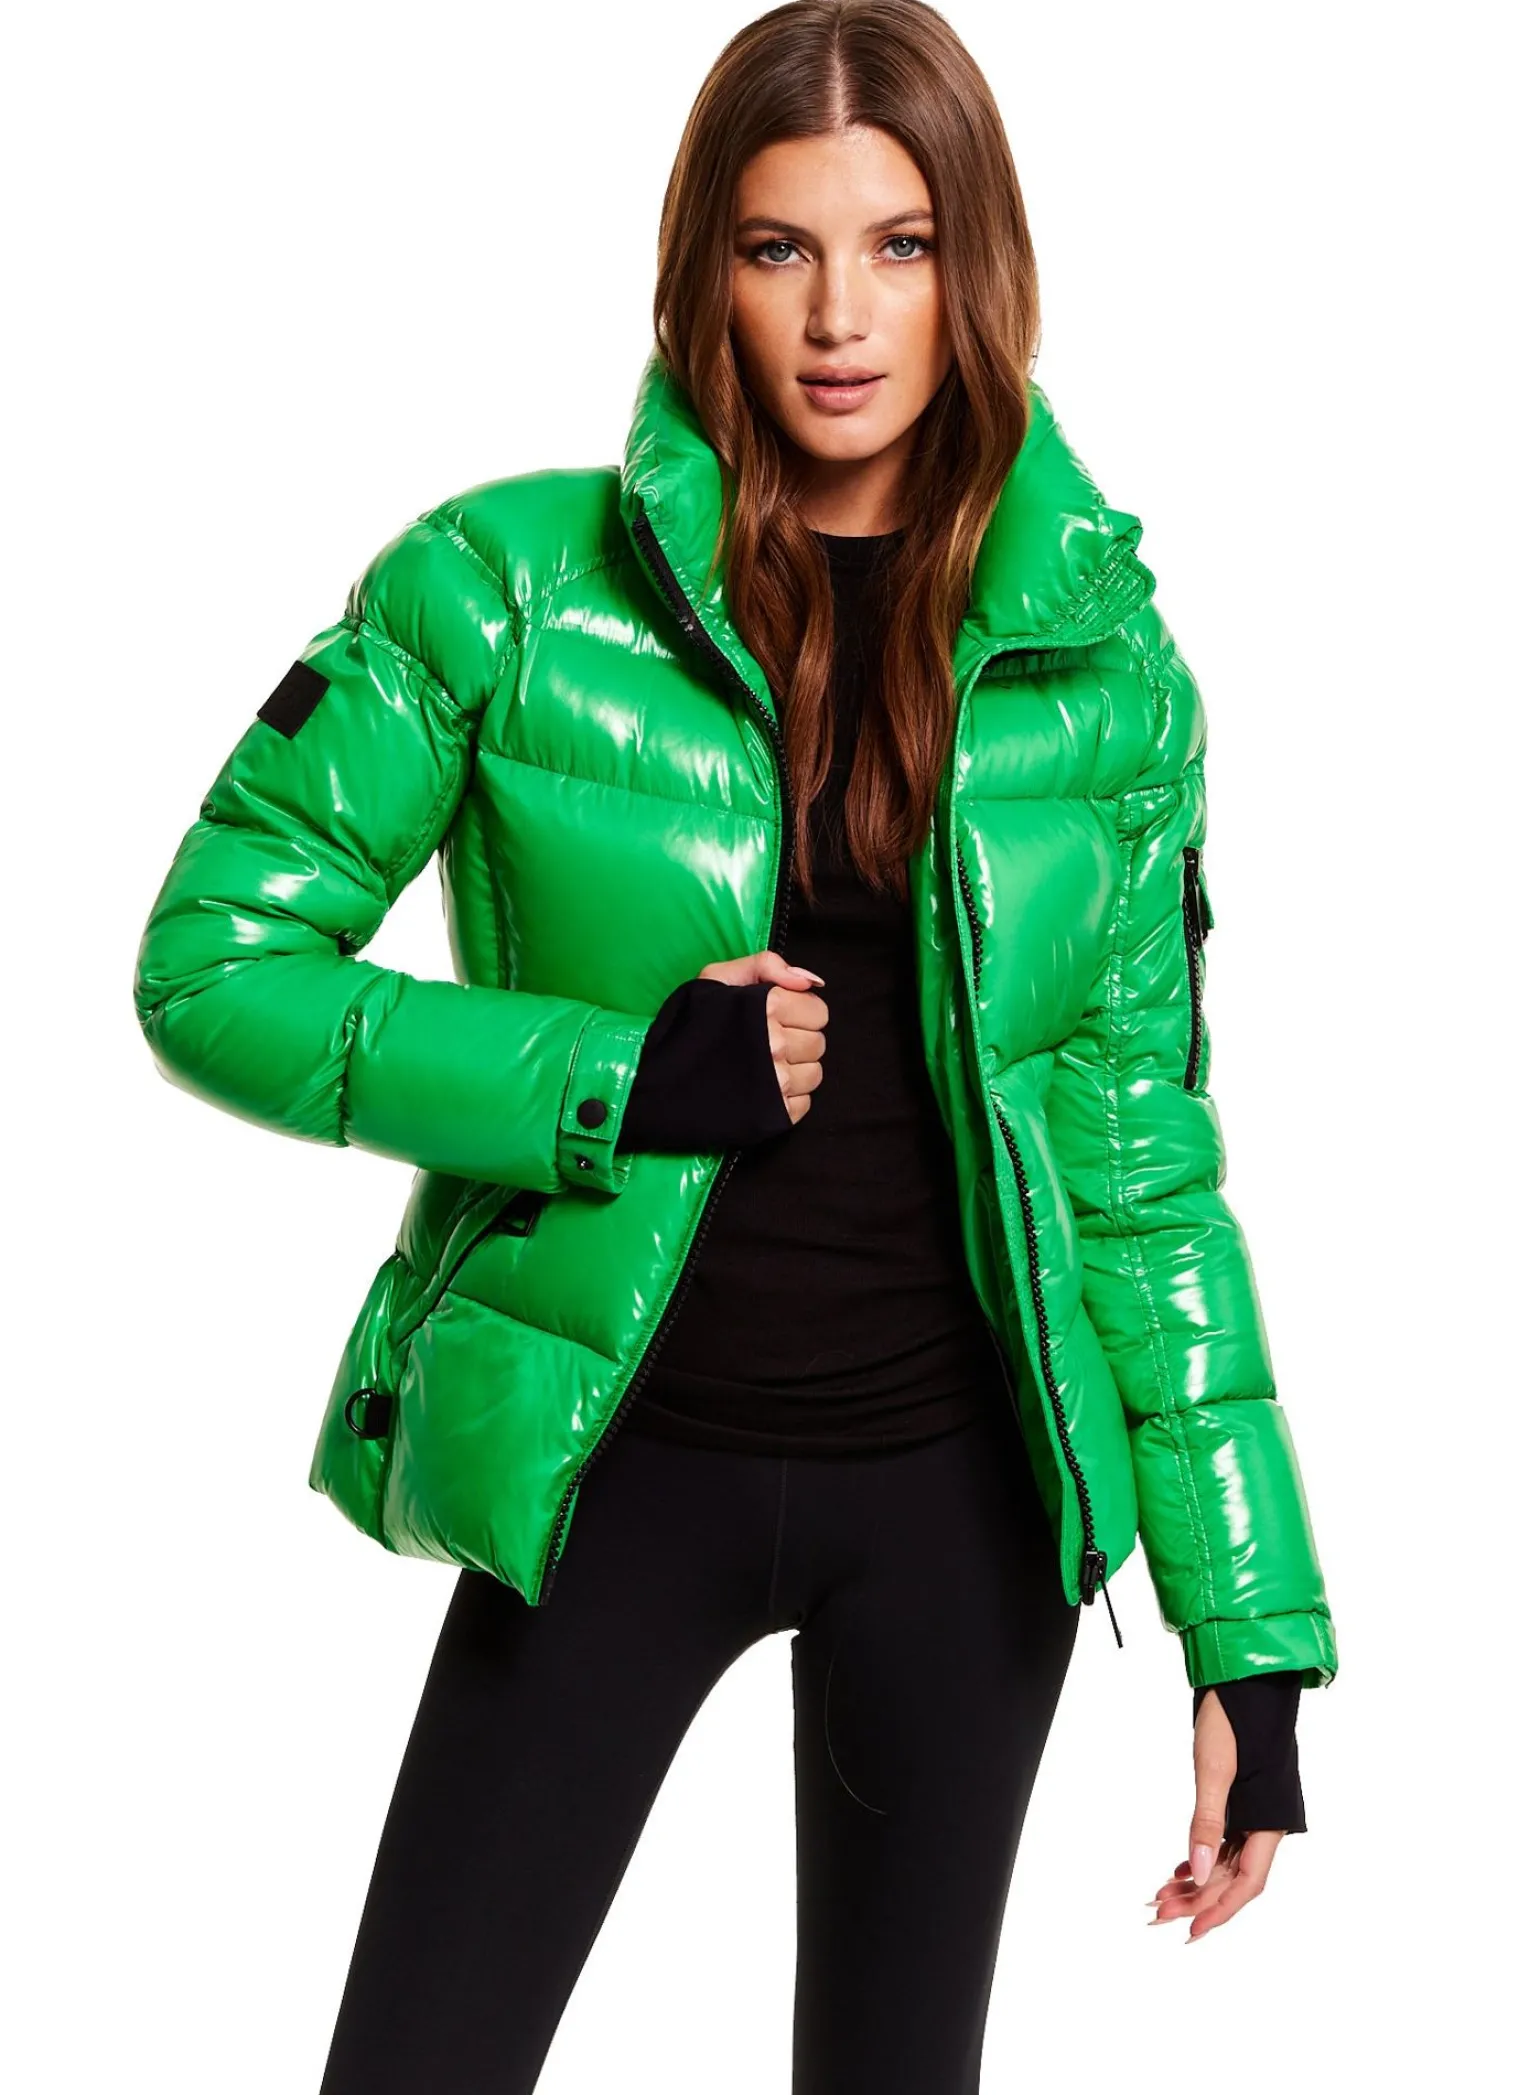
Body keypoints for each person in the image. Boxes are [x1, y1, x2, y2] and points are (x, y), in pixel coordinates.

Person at [131, 3, 1338, 2088]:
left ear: (977, 268)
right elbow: (211, 968)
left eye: (899, 245)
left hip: (959, 1505)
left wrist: (1249, 1636)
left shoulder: (1104, 663)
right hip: (619, 1464)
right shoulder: (501, 590)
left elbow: (1141, 1164)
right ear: (705, 267)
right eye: (781, 248)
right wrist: (608, 1077)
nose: (841, 316)